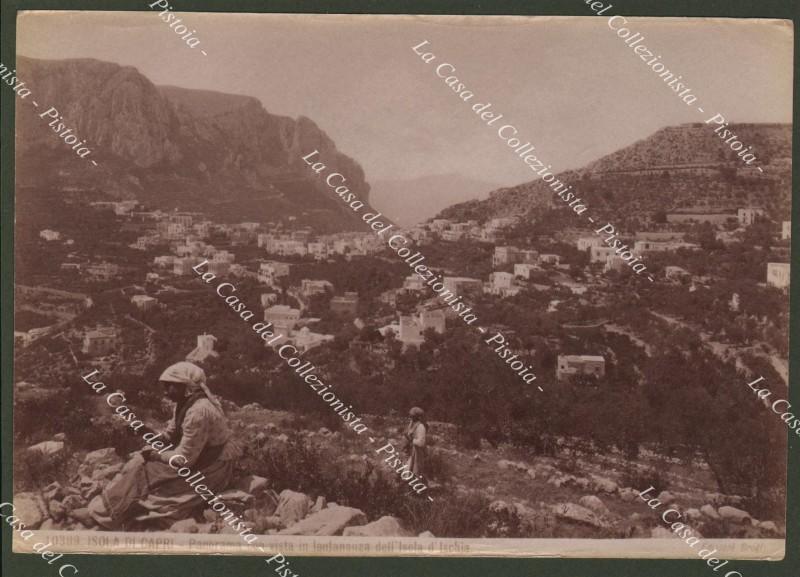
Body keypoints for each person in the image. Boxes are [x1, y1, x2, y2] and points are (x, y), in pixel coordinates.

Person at [89, 361, 241, 529]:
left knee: (145, 476)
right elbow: (171, 432)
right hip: (198, 457)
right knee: (139, 462)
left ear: (186, 386)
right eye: (166, 387)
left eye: (171, 387)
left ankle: (108, 516)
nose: (166, 392)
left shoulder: (199, 411)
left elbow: (184, 459)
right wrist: (147, 434)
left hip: (211, 467)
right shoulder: (185, 403)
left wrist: (155, 455)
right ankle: (108, 508)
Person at [404, 406, 427, 479]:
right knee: (408, 470)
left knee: (416, 470)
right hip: (411, 451)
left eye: (412, 416)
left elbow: (421, 442)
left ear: (417, 417)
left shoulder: (421, 427)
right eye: (410, 416)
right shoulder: (412, 424)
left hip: (417, 452)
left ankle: (417, 487)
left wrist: (412, 440)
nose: (410, 418)